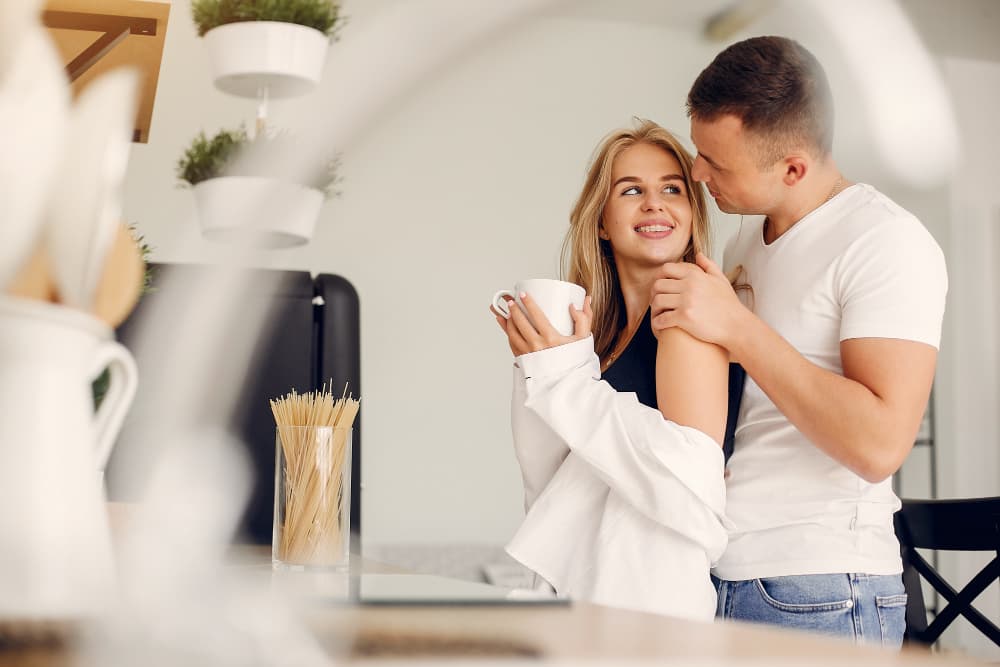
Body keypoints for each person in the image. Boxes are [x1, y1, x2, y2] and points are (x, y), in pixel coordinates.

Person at [650, 36, 947, 645]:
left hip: (822, 589)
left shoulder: (885, 242)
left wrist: (737, 328)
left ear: (793, 168)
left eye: (717, 163)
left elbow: (879, 445)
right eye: (699, 153)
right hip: (727, 569)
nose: (698, 173)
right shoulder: (743, 244)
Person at [492, 119, 731, 621]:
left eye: (673, 189)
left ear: (692, 211)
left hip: (656, 615)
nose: (655, 204)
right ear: (601, 221)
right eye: (631, 191)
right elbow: (548, 481)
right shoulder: (598, 336)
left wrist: (558, 377)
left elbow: (692, 490)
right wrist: (537, 366)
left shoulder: (688, 321)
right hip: (587, 602)